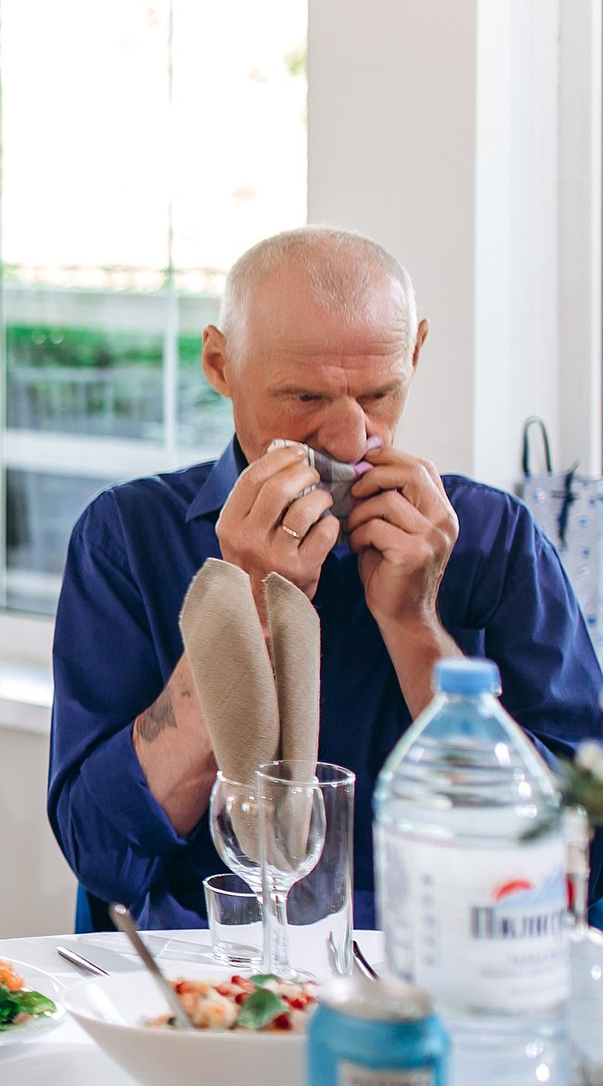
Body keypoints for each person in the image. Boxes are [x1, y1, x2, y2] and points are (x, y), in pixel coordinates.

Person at [50, 226, 603, 931]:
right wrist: (241, 605)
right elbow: (102, 853)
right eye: (304, 398)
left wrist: (415, 624)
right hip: (204, 978)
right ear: (220, 365)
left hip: (441, 965)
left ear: (416, 352)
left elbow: (578, 856)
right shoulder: (127, 536)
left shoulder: (496, 540)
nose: (349, 440)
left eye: (380, 394)